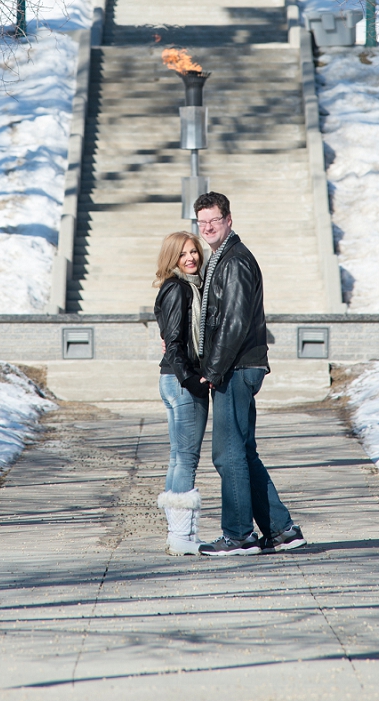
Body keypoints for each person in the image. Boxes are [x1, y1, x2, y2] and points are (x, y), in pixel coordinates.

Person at [193, 191, 307, 557]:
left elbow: (236, 322)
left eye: (214, 220)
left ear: (229, 220)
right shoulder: (222, 259)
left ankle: (239, 534)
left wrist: (213, 368)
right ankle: (280, 530)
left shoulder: (235, 261)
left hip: (237, 366)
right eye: (202, 222)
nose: (208, 227)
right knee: (243, 452)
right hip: (238, 365)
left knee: (228, 455)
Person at [154, 231, 210, 555]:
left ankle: (178, 533)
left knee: (178, 458)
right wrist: (193, 380)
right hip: (181, 380)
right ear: (172, 258)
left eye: (194, 252)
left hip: (172, 379)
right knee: (186, 459)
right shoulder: (179, 289)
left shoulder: (178, 287)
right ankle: (182, 535)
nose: (191, 258)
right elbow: (174, 342)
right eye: (183, 253)